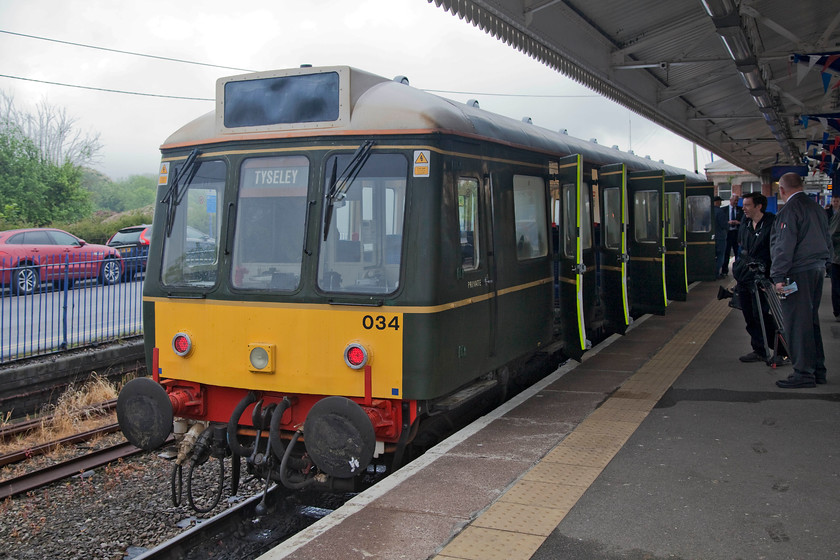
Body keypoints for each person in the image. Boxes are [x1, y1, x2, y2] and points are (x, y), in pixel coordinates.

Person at [770, 173, 831, 388]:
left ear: (782, 190)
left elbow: (784, 246)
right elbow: (827, 238)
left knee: (797, 324)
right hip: (817, 269)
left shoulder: (789, 211)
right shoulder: (817, 208)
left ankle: (804, 373)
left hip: (797, 272)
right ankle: (818, 371)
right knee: (811, 322)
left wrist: (778, 276)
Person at [732, 193, 777, 362]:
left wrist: (772, 278)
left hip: (763, 277)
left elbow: (776, 252)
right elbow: (741, 245)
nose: (743, 208)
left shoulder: (771, 224)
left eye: (747, 205)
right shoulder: (745, 223)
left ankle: (780, 348)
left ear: (759, 206)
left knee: (762, 315)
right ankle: (759, 349)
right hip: (744, 276)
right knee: (749, 315)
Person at [722, 194, 743, 275]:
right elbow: (721, 222)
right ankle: (724, 271)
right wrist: (728, 223)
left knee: (737, 253)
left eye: (737, 201)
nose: (736, 202)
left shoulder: (741, 210)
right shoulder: (723, 210)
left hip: (736, 233)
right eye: (735, 200)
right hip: (728, 234)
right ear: (730, 200)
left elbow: (744, 222)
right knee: (726, 252)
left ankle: (737, 270)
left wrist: (738, 222)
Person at [829, 196, 840, 320]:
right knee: (837, 286)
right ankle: (838, 311)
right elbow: (831, 235)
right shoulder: (837, 216)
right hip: (837, 257)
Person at [713, 196, 728, 278]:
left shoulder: (708, 211)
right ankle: (716, 274)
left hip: (710, 237)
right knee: (720, 256)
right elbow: (724, 225)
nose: (721, 203)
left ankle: (711, 273)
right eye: (720, 201)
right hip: (720, 237)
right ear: (717, 202)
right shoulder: (720, 212)